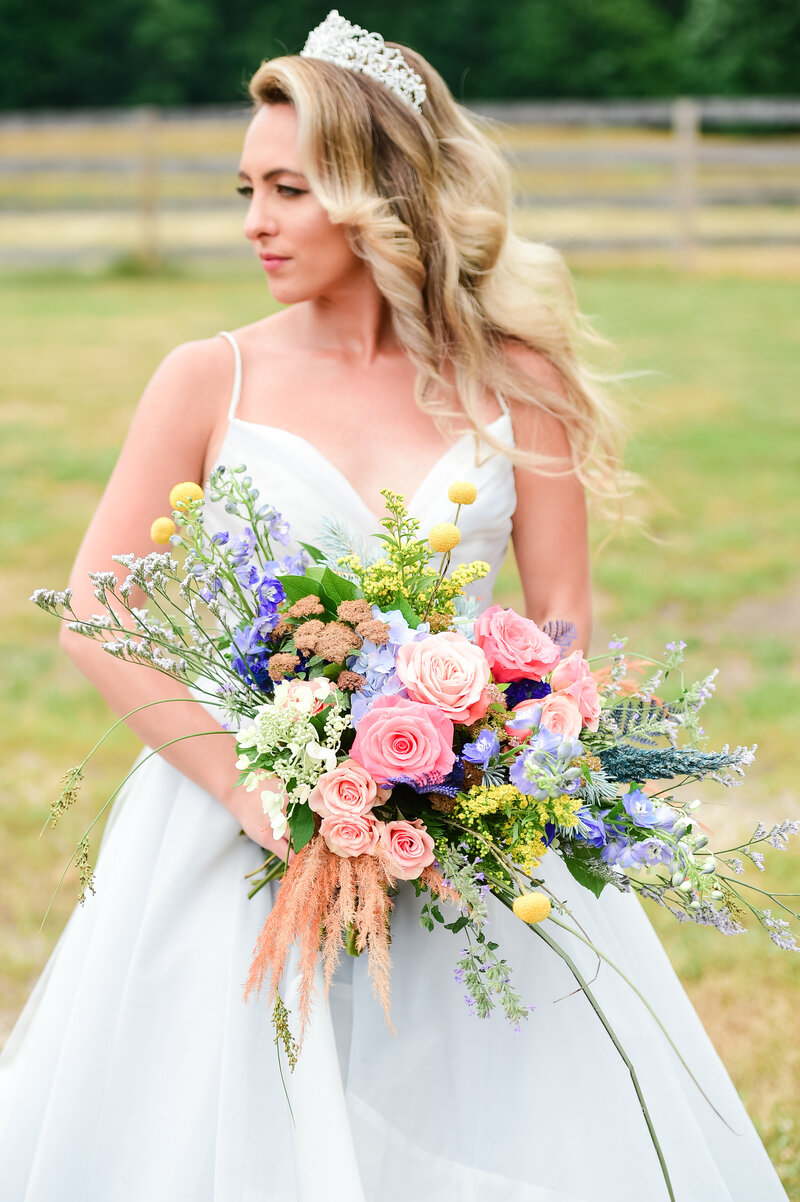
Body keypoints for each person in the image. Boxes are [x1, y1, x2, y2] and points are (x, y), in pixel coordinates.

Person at [0, 11, 789, 1200]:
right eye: (243, 189)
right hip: (236, 821)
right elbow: (94, 615)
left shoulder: (517, 386)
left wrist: (501, 751)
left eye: (290, 189)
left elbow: (561, 615)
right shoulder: (208, 374)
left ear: (378, 193)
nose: (256, 221)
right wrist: (250, 785)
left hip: (464, 828)